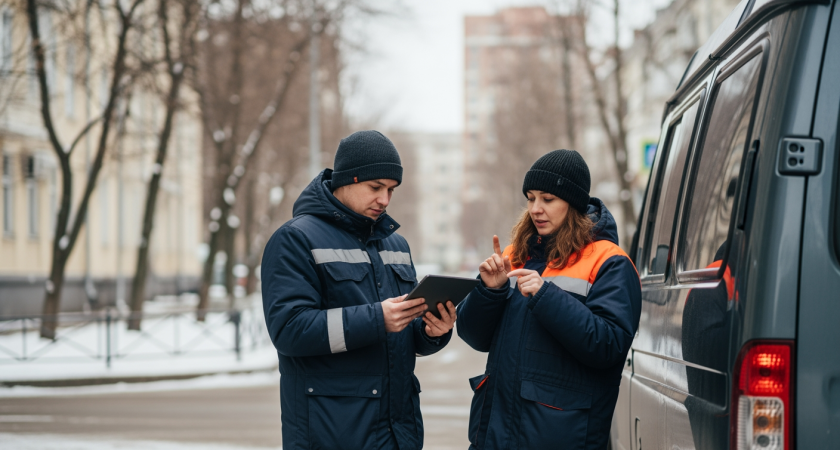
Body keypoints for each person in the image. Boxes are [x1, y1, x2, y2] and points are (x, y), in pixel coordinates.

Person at [261, 130, 457, 450]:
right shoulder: (294, 239)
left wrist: (433, 331)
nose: (385, 200)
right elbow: (289, 330)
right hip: (332, 433)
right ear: (346, 180)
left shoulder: (396, 244)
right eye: (375, 187)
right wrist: (378, 319)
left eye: (391, 190)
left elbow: (407, 335)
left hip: (398, 432)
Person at [457, 149, 642, 450]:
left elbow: (609, 345)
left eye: (547, 199)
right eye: (530, 198)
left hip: (560, 435)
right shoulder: (514, 255)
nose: (535, 209)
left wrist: (546, 296)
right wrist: (489, 291)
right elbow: (472, 335)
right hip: (495, 435)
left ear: (573, 203)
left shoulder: (610, 262)